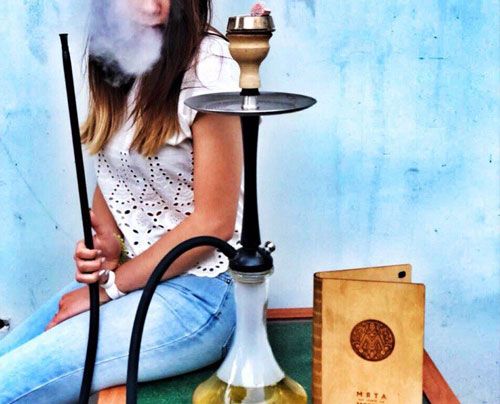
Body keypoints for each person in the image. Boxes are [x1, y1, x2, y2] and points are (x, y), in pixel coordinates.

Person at [0, 0, 243, 402]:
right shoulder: (120, 53)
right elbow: (117, 169)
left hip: (202, 292)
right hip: (135, 280)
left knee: (8, 385)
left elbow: (213, 223)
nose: (149, 5)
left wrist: (110, 288)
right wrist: (108, 245)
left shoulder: (210, 67)